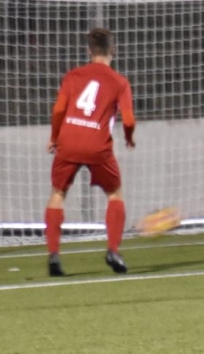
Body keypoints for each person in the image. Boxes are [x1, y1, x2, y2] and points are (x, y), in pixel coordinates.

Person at [46, 28, 136, 277]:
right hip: (98, 146)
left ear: (89, 51)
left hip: (68, 141)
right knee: (114, 194)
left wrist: (54, 137)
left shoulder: (73, 76)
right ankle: (113, 250)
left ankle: (53, 255)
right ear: (113, 51)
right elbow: (128, 120)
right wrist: (129, 138)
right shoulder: (119, 82)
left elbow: (58, 110)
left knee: (58, 194)